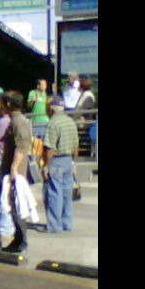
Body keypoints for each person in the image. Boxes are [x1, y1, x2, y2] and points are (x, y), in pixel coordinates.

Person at [0, 91, 32, 254]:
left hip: (12, 173)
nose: (0, 105)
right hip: (7, 171)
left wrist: (14, 169)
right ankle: (8, 240)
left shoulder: (18, 121)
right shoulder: (14, 120)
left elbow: (22, 146)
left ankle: (15, 241)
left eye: (2, 102)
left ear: (9, 104)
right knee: (1, 204)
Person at [42, 95, 79, 233]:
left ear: (52, 107)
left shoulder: (53, 123)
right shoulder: (70, 121)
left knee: (54, 193)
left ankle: (54, 225)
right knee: (66, 193)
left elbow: (50, 147)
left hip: (56, 161)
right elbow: (76, 145)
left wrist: (46, 165)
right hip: (68, 160)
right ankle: (66, 223)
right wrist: (73, 162)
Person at [74, 78, 96, 156]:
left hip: (84, 124)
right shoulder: (84, 94)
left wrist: (73, 118)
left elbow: (83, 109)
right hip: (80, 122)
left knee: (83, 142)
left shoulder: (88, 96)